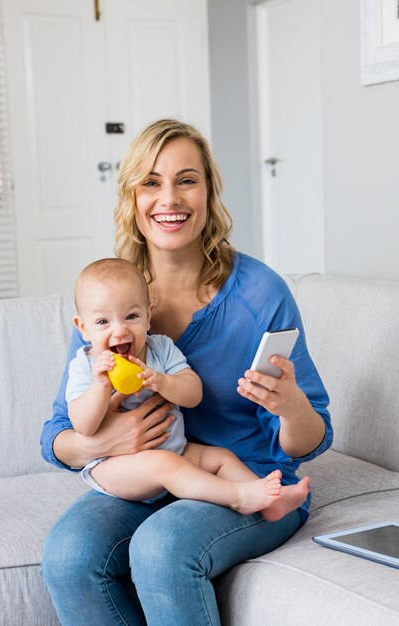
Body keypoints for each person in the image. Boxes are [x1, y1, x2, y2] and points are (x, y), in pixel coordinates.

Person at [41, 118, 332, 626]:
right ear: (133, 198)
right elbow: (58, 433)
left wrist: (290, 406)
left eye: (187, 180)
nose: (169, 198)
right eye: (151, 182)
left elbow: (308, 441)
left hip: (243, 477)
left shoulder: (261, 294)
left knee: (161, 548)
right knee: (68, 554)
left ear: (209, 192)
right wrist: (100, 444)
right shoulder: (110, 301)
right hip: (149, 478)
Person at [67, 257, 310, 517]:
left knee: (220, 458)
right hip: (114, 466)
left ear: (148, 317)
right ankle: (239, 497)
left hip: (176, 450)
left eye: (131, 316)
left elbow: (193, 394)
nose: (120, 331)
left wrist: (163, 381)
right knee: (165, 463)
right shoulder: (86, 364)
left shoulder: (160, 348)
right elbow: (83, 425)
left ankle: (271, 502)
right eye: (103, 322)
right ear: (83, 327)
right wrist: (100, 387)